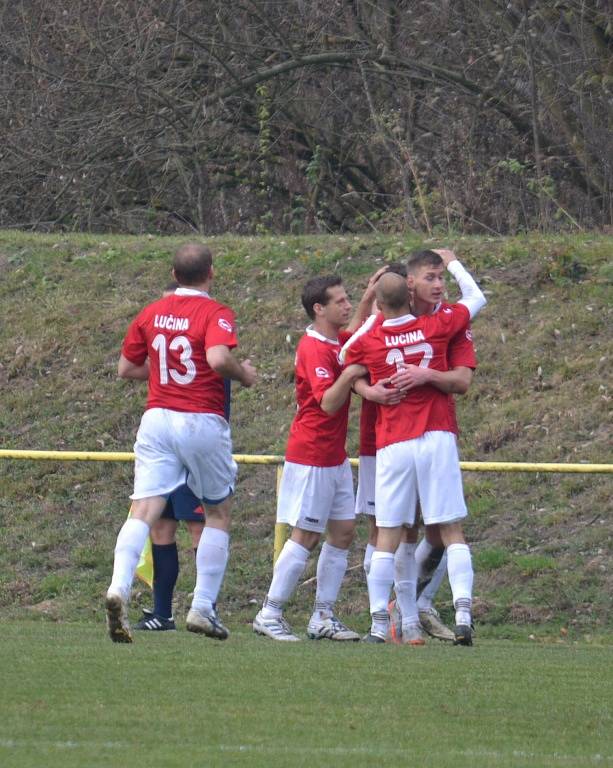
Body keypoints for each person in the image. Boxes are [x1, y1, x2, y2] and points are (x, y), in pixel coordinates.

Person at [105, 243, 256, 643]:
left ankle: (119, 585)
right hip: (200, 419)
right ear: (211, 272)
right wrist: (244, 375)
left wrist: (163, 377)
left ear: (174, 274)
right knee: (218, 512)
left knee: (144, 508)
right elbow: (220, 359)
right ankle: (203, 607)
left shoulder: (151, 312)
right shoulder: (215, 312)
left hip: (157, 419)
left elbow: (125, 368)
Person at [344, 250, 486, 645]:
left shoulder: (373, 335)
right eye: (432, 277)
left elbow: (344, 353)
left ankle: (378, 623)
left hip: (394, 440)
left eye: (442, 277)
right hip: (435, 434)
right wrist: (457, 262)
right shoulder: (440, 324)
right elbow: (476, 298)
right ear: (410, 287)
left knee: (388, 533)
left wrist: (368, 378)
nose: (439, 285)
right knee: (450, 529)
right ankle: (462, 613)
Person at [252, 275, 367, 642]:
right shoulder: (315, 347)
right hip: (312, 454)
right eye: (340, 301)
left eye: (348, 300)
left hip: (334, 456)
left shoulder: (337, 340)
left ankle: (322, 616)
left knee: (344, 532)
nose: (347, 307)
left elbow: (360, 329)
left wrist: (372, 294)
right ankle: (269, 612)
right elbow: (330, 403)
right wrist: (350, 373)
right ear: (319, 309)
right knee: (306, 535)